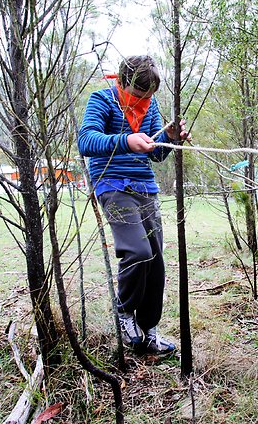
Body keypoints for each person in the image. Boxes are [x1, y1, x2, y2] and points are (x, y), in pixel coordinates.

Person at [78, 55, 188, 355]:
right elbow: (86, 141)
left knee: (155, 261)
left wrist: (168, 138)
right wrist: (127, 141)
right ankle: (124, 313)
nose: (143, 102)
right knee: (138, 252)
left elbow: (156, 155)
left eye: (149, 96)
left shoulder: (150, 107)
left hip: (145, 188)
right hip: (112, 185)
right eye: (138, 95)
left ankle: (150, 330)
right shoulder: (102, 99)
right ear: (123, 82)